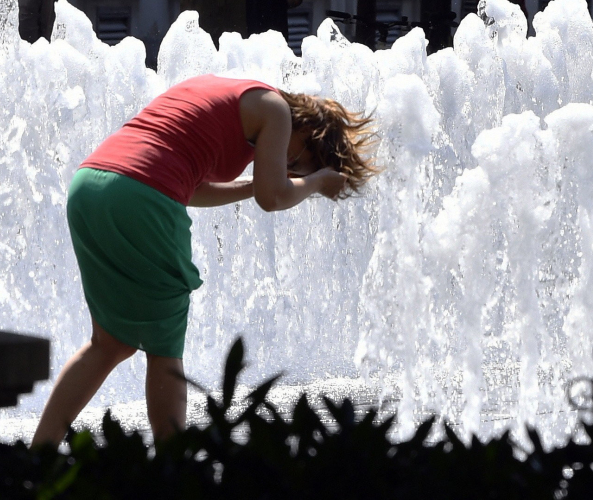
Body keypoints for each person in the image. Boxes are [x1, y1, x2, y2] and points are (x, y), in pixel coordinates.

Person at [31, 74, 378, 447]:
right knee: (164, 348)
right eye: (294, 161)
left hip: (91, 187)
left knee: (110, 343)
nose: (288, 167)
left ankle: (38, 454)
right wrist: (319, 181)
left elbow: (192, 189)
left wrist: (259, 180)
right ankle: (173, 472)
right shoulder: (276, 110)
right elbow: (273, 197)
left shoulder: (228, 95)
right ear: (309, 130)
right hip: (143, 196)